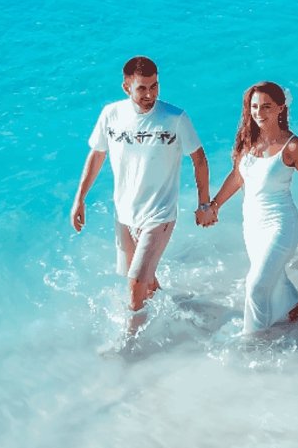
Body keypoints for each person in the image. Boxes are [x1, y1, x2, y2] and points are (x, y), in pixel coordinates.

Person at [203, 81, 298, 333]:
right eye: (254, 107)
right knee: (272, 277)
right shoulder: (247, 141)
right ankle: (295, 310)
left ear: (280, 108)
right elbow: (237, 177)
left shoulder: (294, 146)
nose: (259, 113)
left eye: (266, 106)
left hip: (281, 224)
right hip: (252, 225)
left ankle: (252, 341)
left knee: (255, 285)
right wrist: (215, 205)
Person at [72, 56, 212, 323]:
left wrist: (204, 204)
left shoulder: (175, 118)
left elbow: (199, 159)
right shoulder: (111, 114)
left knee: (135, 283)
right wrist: (80, 199)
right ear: (126, 87)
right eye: (142, 88)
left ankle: (131, 344)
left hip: (159, 214)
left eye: (154, 86)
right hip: (124, 214)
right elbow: (97, 155)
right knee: (144, 282)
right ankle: (180, 318)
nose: (150, 94)